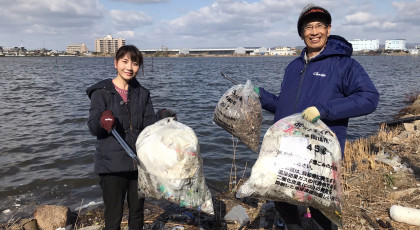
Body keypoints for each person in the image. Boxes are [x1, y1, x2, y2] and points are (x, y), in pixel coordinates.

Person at [254, 3, 380, 230]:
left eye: (319, 26)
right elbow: (286, 109)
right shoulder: (293, 66)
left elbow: (369, 98)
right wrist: (260, 96)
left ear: (329, 30)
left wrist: (324, 110)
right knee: (283, 201)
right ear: (302, 33)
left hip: (319, 152)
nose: (314, 32)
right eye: (308, 27)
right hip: (288, 148)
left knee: (321, 210)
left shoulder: (344, 64)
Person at [86, 45, 175, 229]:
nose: (129, 67)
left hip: (138, 164)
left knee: (137, 213)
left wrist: (161, 116)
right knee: (113, 215)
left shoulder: (142, 93)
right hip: (111, 165)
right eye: (125, 61)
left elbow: (148, 125)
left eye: (135, 63)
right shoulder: (101, 92)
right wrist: (103, 120)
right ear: (116, 63)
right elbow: (93, 127)